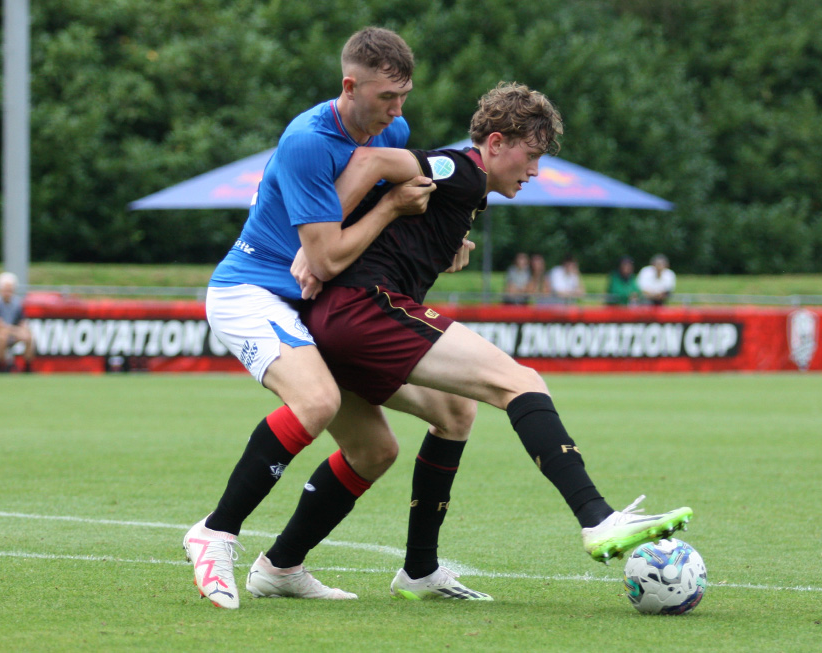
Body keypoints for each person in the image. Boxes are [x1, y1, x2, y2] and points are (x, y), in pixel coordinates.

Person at [288, 82, 693, 599]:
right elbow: (369, 163)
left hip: (343, 319)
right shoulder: (463, 169)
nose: (535, 172)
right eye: (532, 156)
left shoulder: (467, 192)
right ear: (496, 143)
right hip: (363, 310)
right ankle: (597, 518)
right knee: (519, 381)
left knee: (455, 414)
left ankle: (393, 569)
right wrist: (315, 243)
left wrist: (447, 237)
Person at [183, 27, 479, 610]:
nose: (397, 112)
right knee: (315, 402)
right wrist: (393, 204)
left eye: (403, 97)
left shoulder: (390, 131)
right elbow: (324, 255)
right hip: (250, 292)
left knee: (402, 437)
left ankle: (282, 567)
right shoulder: (307, 142)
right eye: (384, 98)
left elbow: (370, 235)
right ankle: (215, 533)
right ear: (349, 86)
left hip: (314, 306)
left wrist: (448, 238)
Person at [0, 271, 35, 371]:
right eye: (6, 290)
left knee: (28, 336)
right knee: (1, 336)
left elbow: (22, 321)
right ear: (0, 289)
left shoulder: (17, 304)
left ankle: (28, 365)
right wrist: (16, 330)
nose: (8, 293)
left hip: (13, 331)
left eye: (10, 290)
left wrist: (23, 330)